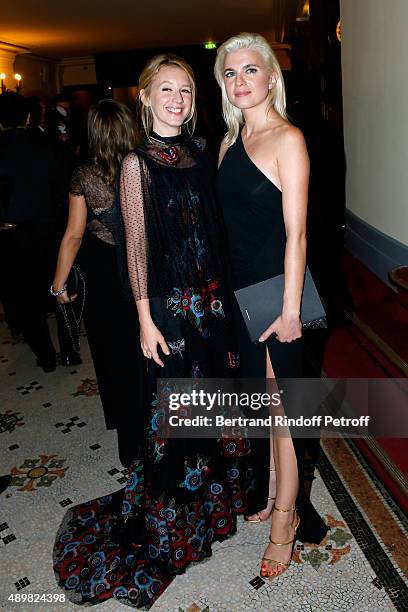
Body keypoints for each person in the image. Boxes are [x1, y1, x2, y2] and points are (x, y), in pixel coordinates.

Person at [53, 56, 247, 609]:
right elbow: (135, 248)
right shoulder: (135, 165)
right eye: (167, 89)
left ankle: (215, 505)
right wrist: (143, 317)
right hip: (169, 307)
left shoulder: (201, 151)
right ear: (146, 97)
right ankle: (176, 516)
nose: (178, 99)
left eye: (186, 90)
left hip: (210, 304)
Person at [215, 33, 328, 579]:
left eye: (249, 70)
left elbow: (297, 234)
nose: (240, 81)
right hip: (240, 290)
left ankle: (287, 516)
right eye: (230, 73)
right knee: (265, 403)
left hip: (278, 289)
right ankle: (277, 494)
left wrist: (289, 309)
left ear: (270, 78)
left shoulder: (289, 139)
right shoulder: (226, 144)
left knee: (284, 409)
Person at [51, 99, 142, 465]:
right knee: (148, 353)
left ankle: (130, 443)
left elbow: (73, 236)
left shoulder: (84, 175)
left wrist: (58, 286)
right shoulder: (145, 165)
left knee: (111, 356)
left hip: (104, 277)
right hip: (143, 268)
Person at [0, 92, 72, 371]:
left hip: (10, 235)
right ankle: (69, 350)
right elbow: (64, 190)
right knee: (58, 288)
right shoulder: (49, 145)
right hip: (49, 231)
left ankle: (46, 356)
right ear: (29, 117)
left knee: (25, 299)